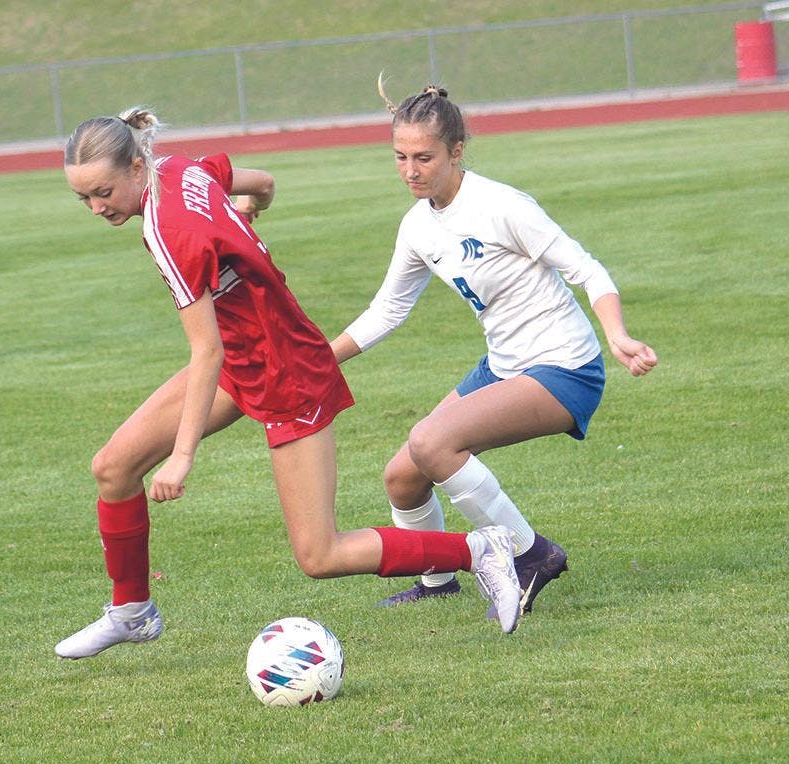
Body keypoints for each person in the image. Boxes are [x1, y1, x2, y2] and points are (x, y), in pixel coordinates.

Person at [54, 107, 526, 659]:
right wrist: (244, 219)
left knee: (320, 555)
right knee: (113, 468)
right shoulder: (180, 169)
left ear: (137, 167)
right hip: (244, 358)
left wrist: (182, 457)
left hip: (285, 371)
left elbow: (205, 352)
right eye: (83, 198)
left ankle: (480, 550)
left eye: (103, 192)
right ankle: (132, 611)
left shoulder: (168, 232)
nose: (97, 207)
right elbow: (263, 184)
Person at [330, 81, 658, 614]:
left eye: (424, 158)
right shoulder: (417, 227)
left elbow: (587, 270)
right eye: (400, 157)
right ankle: (436, 582)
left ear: (456, 151)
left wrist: (617, 335)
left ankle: (532, 555)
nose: (410, 170)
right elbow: (387, 311)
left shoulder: (501, 206)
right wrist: (320, 360)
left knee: (432, 442)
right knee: (403, 476)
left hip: (564, 368)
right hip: (503, 365)